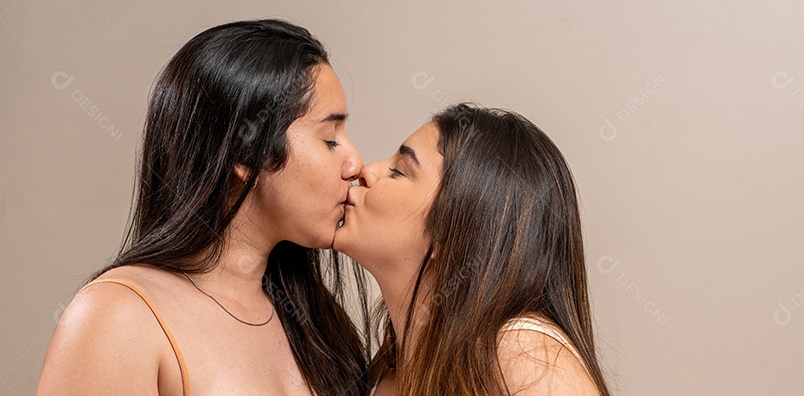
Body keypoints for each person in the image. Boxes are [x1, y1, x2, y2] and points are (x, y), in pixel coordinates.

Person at [38, 19, 373, 395]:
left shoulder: (314, 322)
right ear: (247, 153)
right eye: (329, 139)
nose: (355, 163)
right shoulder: (119, 318)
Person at [334, 103, 612, 395]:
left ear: (449, 230)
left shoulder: (523, 353)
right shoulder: (388, 372)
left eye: (399, 171)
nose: (365, 170)